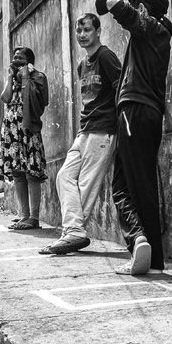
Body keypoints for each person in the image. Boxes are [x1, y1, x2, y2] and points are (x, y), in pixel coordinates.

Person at [95, 0, 172, 276]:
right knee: (143, 184)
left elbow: (115, 5)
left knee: (121, 187)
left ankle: (137, 239)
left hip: (134, 110)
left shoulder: (148, 27)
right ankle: (152, 259)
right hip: (150, 114)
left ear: (143, 9)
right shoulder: (160, 34)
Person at [39, 13, 121, 255]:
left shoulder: (106, 56)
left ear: (98, 31)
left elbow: (121, 88)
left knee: (86, 184)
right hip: (85, 129)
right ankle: (74, 232)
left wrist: (122, 123)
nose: (82, 35)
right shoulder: (82, 65)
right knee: (64, 176)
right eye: (79, 31)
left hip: (104, 129)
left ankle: (72, 233)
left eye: (87, 30)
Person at [0, 46, 49, 230]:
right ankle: (24, 215)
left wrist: (26, 76)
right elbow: (5, 98)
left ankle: (34, 217)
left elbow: (39, 102)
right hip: (11, 129)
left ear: (29, 61)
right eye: (14, 57)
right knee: (18, 174)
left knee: (31, 173)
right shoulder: (13, 78)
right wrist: (11, 77)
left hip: (28, 129)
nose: (16, 60)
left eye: (20, 57)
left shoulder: (38, 77)